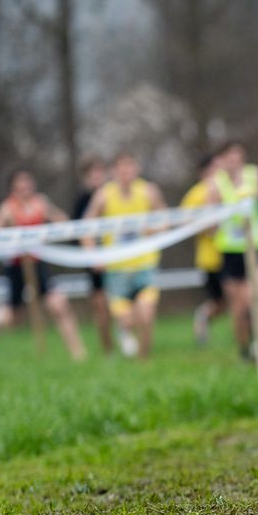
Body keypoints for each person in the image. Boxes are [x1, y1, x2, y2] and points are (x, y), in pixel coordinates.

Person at [0, 168, 86, 359]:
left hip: (37, 262)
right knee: (15, 318)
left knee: (59, 304)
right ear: (13, 189)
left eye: (27, 184)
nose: (24, 189)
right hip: (16, 266)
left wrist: (51, 230)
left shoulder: (41, 203)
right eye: (20, 185)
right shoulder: (8, 208)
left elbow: (63, 222)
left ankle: (78, 353)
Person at [85, 153, 166, 359]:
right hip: (116, 270)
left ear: (136, 169)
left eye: (129, 167)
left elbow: (166, 219)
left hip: (145, 265)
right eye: (121, 168)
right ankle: (124, 332)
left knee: (146, 316)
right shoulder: (104, 195)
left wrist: (155, 230)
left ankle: (144, 362)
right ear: (113, 172)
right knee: (127, 320)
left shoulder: (148, 191)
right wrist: (94, 256)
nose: (125, 172)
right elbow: (86, 228)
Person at [206, 140, 258, 360]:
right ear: (221, 160)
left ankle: (257, 341)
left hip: (257, 246)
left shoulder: (256, 175)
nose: (234, 159)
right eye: (229, 155)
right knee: (237, 307)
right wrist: (213, 227)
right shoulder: (215, 184)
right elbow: (209, 222)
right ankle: (244, 349)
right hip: (230, 251)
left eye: (238, 154)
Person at [180, 151, 226, 347]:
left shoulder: (229, 189)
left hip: (232, 252)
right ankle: (203, 316)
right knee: (220, 301)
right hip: (210, 257)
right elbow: (183, 221)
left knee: (236, 299)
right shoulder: (195, 195)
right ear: (204, 172)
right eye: (214, 168)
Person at [71, 156, 112, 353]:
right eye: (93, 173)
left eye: (100, 171)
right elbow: (77, 233)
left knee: (120, 305)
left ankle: (125, 336)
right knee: (101, 307)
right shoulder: (82, 200)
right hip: (94, 261)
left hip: (117, 256)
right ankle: (107, 348)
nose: (98, 176)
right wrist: (93, 257)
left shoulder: (113, 194)